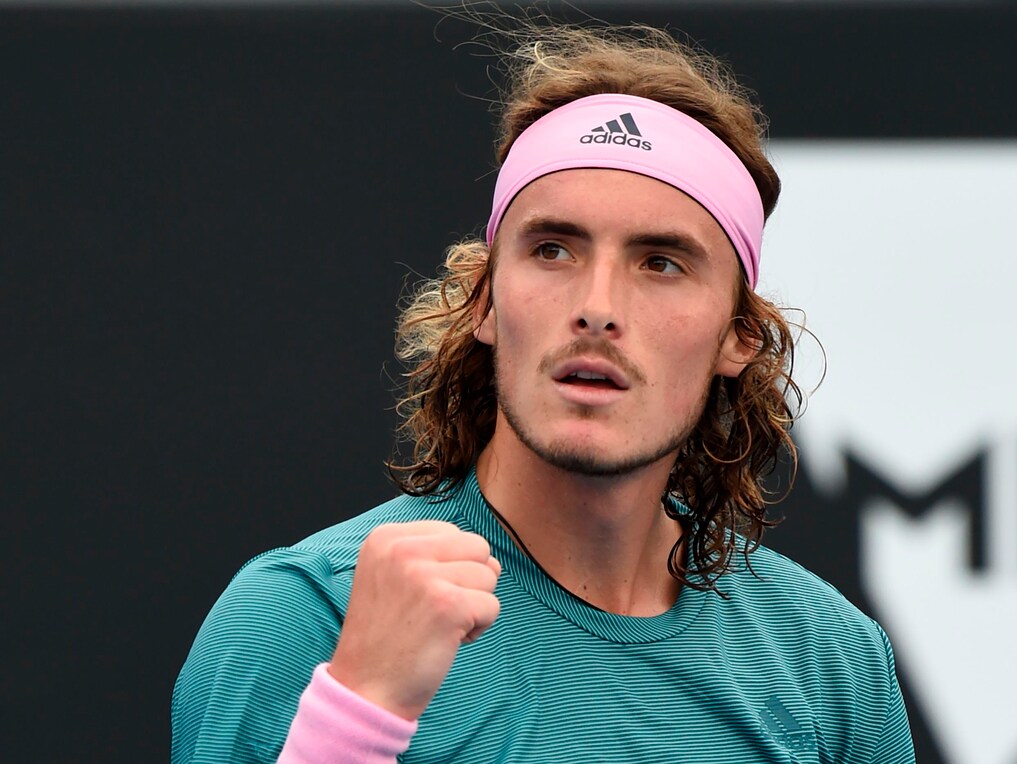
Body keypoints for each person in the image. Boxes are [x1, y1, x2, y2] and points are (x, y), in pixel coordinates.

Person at [172, 20, 915, 764]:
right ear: (485, 303)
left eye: (661, 262)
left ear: (738, 337)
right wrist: (358, 713)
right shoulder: (300, 622)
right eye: (552, 249)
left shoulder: (834, 663)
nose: (597, 307)